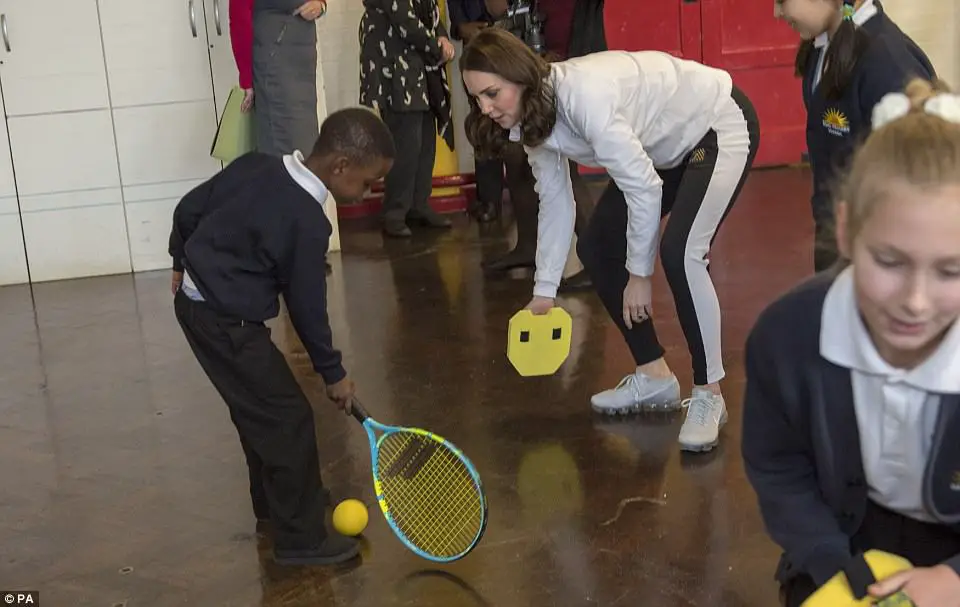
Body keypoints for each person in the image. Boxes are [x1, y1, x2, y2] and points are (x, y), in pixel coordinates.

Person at [461, 29, 760, 452]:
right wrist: (544, 291)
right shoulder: (533, 116)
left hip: (716, 126)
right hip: (661, 150)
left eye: (492, 94)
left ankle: (709, 395)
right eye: (476, 99)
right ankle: (654, 376)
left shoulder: (585, 97)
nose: (485, 109)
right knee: (599, 247)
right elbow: (556, 199)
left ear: (521, 78)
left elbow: (643, 188)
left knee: (680, 253)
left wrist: (639, 274)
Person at [742, 78, 960, 607]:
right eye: (889, 261)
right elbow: (779, 466)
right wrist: (827, 559)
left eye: (951, 271)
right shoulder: (787, 336)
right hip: (846, 538)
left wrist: (954, 579)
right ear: (844, 230)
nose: (916, 302)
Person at [168, 108, 395, 566]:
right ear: (341, 167)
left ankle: (276, 506)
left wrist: (180, 260)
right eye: (368, 182)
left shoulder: (258, 164)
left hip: (198, 308)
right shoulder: (307, 222)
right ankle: (301, 540)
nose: (369, 192)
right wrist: (333, 374)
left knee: (260, 412)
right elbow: (308, 308)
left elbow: (189, 207)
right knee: (287, 418)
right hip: (224, 322)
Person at [774, 0, 934, 271]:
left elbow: (919, 174)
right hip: (836, 230)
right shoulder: (823, 46)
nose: (776, 13)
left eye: (781, 1)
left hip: (874, 244)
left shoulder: (888, 64)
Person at [228, 0, 333, 274]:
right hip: (273, 52)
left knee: (307, 149)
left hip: (301, 51)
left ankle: (307, 246)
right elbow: (239, 12)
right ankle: (287, 251)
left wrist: (321, 4)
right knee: (282, 153)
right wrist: (246, 78)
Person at [360, 0, 457, 238]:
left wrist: (442, 36)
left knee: (424, 137)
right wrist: (437, 46)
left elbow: (430, 11)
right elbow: (403, 18)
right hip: (394, 64)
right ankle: (394, 211)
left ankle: (418, 204)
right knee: (405, 142)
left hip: (419, 65)